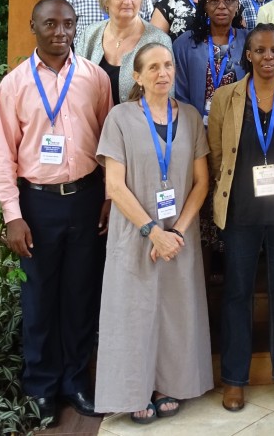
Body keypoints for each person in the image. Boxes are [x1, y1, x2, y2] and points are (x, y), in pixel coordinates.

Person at [0, 0, 112, 423]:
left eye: (68, 24)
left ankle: (75, 381)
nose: (60, 32)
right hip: (37, 203)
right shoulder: (15, 85)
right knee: (39, 298)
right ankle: (40, 388)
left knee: (80, 296)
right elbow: (3, 155)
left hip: (86, 199)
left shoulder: (95, 78)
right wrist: (13, 215)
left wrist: (108, 197)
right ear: (34, 26)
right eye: (50, 24)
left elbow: (108, 144)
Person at [93, 43, 214, 420]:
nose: (163, 73)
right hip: (135, 234)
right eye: (154, 68)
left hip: (179, 236)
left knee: (176, 311)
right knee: (133, 311)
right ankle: (135, 391)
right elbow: (114, 186)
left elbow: (202, 182)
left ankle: (168, 384)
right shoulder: (120, 118)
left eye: (168, 65)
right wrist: (153, 232)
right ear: (138, 76)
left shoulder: (190, 117)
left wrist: (176, 232)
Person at [207, 25, 274, 412]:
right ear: (248, 54)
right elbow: (217, 154)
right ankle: (234, 380)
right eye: (260, 50)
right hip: (242, 210)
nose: (268, 57)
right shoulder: (226, 97)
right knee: (237, 292)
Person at [74, 0, 172, 105]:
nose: (127, 1)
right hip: (92, 118)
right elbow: (76, 86)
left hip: (141, 119)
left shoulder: (159, 40)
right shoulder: (89, 34)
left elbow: (166, 98)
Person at [172, 0, 245, 125]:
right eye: (214, 1)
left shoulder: (249, 41)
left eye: (228, 0)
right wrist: (193, 128)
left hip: (238, 128)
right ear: (204, 6)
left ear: (237, 4)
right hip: (195, 126)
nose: (222, 6)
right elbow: (180, 94)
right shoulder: (185, 44)